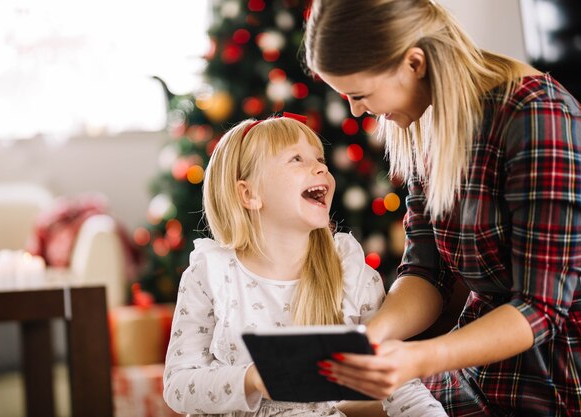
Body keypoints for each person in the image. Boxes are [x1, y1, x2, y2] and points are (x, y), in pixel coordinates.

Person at [303, 0, 581, 415]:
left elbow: (540, 310)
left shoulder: (537, 115)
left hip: (554, 383)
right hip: (480, 372)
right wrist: (369, 338)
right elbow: (426, 272)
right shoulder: (433, 125)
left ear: (414, 63)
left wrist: (419, 358)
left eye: (359, 94)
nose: (356, 110)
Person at [162, 114, 447, 416]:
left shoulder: (349, 271)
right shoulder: (211, 275)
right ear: (249, 194)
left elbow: (395, 379)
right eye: (296, 159)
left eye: (320, 159)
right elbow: (178, 385)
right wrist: (253, 379)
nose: (321, 167)